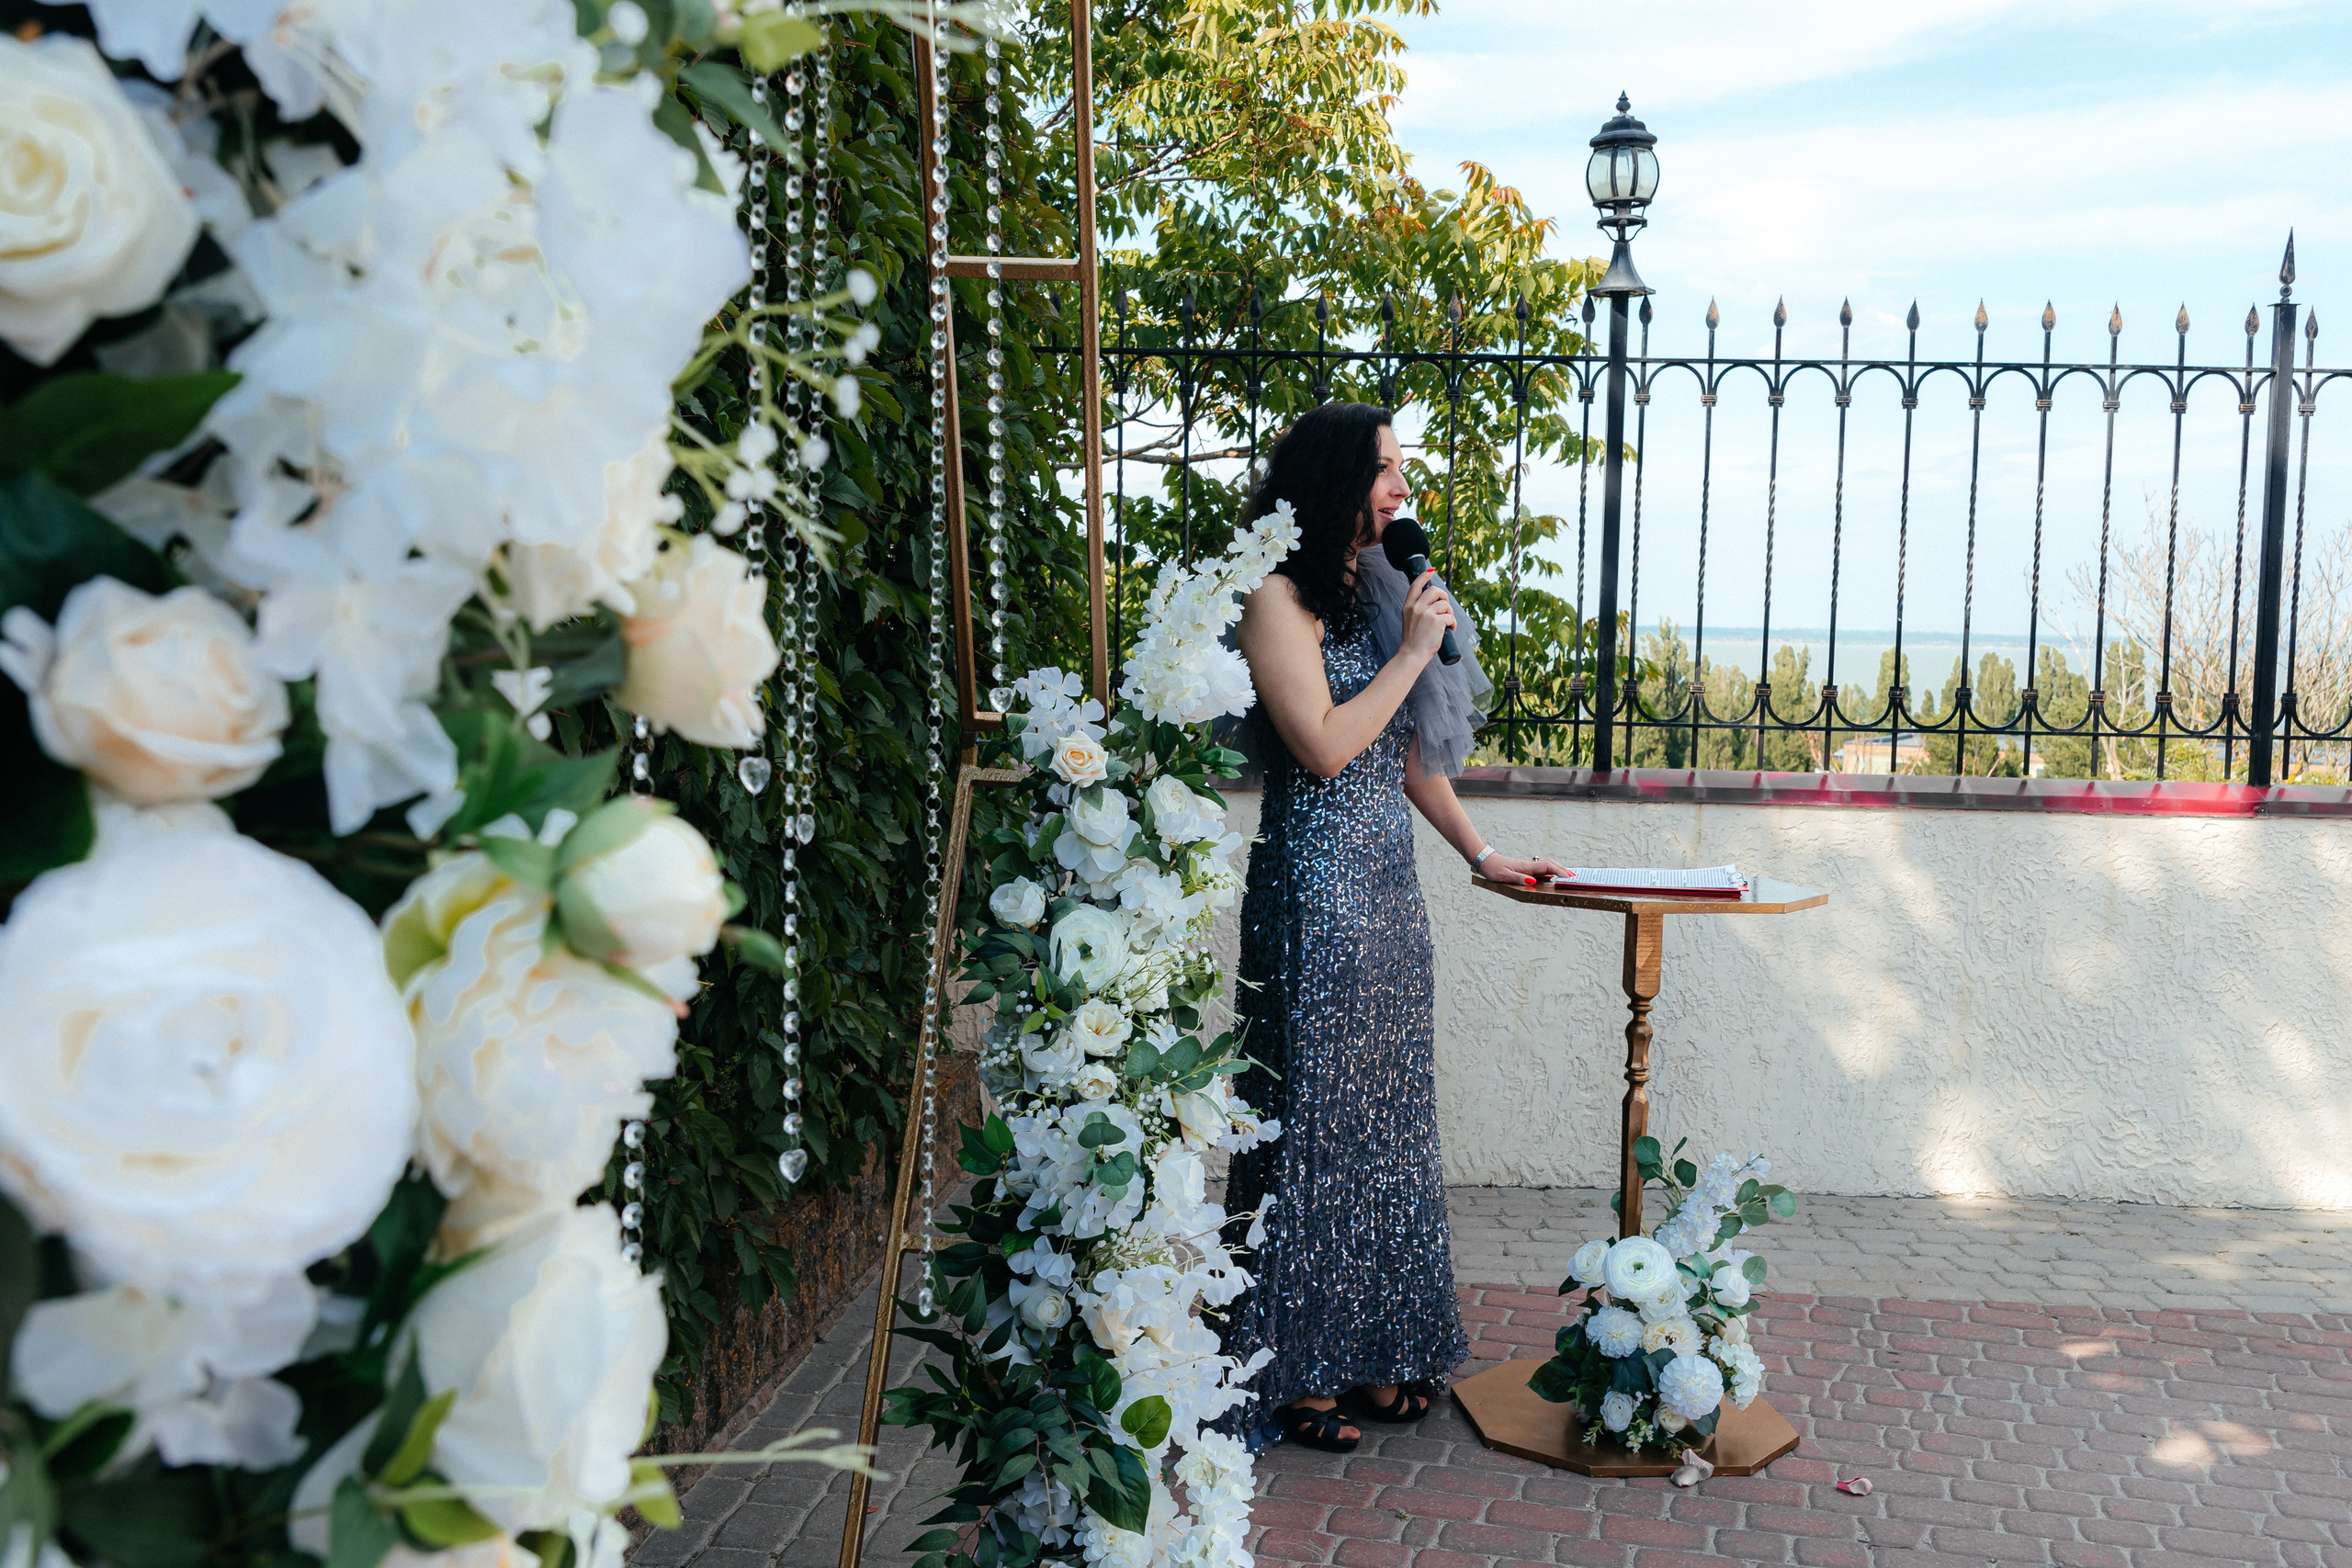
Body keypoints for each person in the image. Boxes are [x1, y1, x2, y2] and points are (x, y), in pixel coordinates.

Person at [1219, 400, 1568, 1452]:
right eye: (1384, 471)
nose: (1401, 491)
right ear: (1332, 479)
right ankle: (1291, 1370)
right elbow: (1326, 748)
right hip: (1312, 891)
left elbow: (1405, 758)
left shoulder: (1373, 589)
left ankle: (1370, 1350)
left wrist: (1480, 855)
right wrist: (1414, 652)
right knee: (1313, 1128)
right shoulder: (1275, 599)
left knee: (1384, 1129)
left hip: (1387, 893)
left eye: (1401, 472)